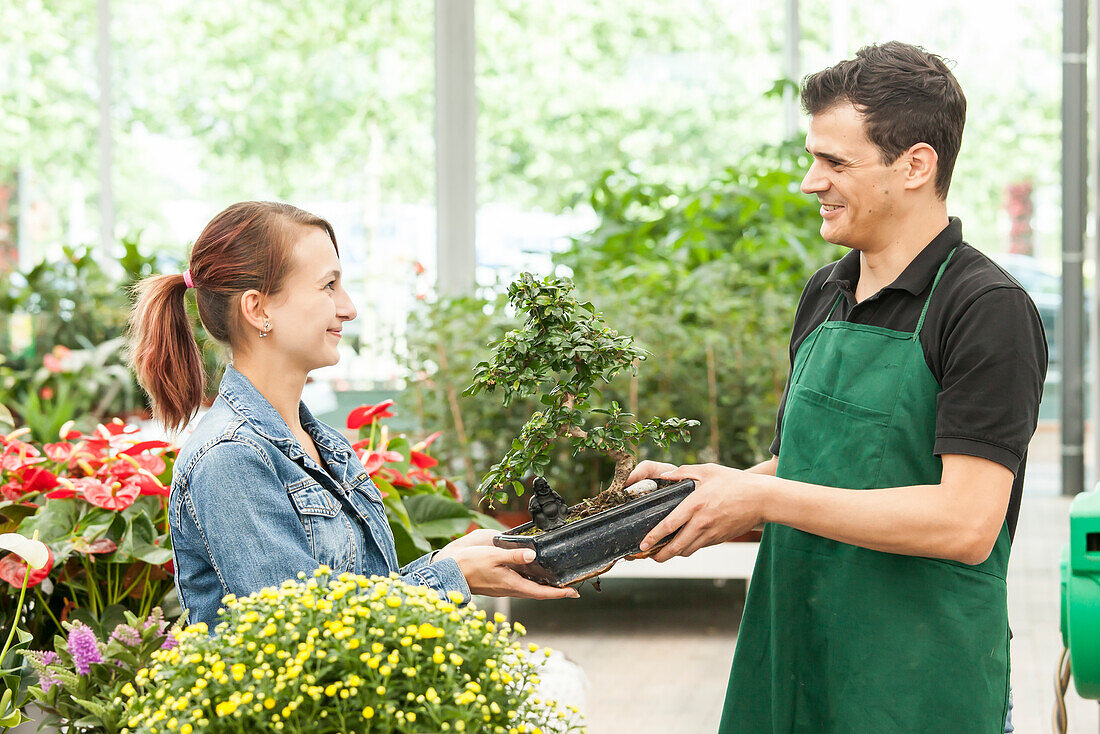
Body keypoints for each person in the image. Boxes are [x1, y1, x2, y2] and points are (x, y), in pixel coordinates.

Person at [628, 42, 1046, 733]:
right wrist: (718, 493)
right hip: (798, 662)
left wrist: (763, 493)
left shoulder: (984, 308)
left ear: (916, 165)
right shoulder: (827, 290)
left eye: (835, 162)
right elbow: (813, 470)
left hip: (917, 687)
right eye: (812, 157)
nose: (809, 182)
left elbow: (968, 522)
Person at [129, 201, 577, 629]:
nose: (348, 307)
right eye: (328, 285)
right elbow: (303, 632)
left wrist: (447, 562)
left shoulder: (322, 443)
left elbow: (360, 596)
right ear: (257, 308)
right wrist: (450, 577)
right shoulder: (230, 459)